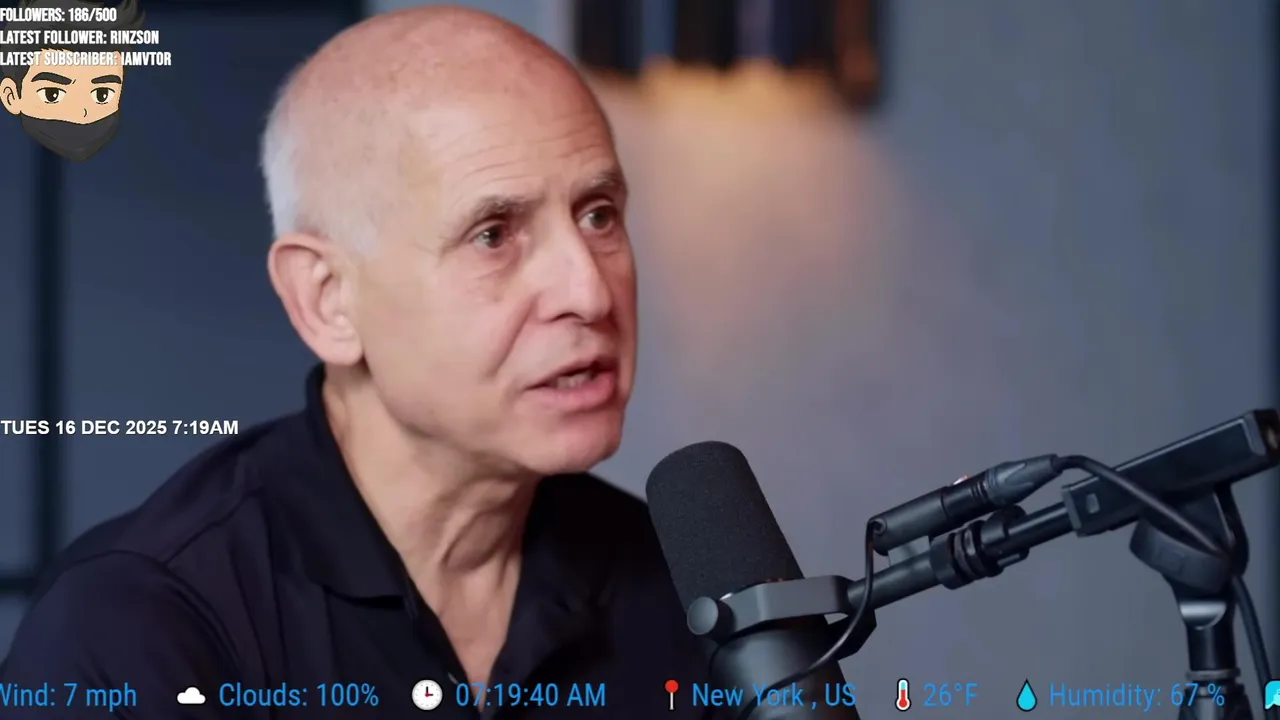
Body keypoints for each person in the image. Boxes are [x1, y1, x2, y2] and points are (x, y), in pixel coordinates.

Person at [1, 6, 716, 718]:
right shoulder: (138, 629)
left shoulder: (690, 594)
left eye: (598, 214)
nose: (589, 292)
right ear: (327, 300)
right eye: (493, 234)